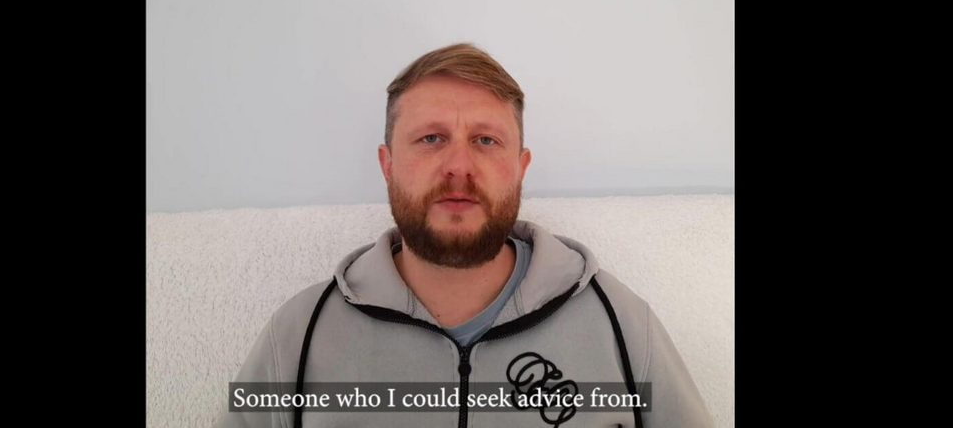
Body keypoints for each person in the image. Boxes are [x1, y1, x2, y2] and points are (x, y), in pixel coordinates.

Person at [213, 43, 715, 428]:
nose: (459, 166)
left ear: (520, 168)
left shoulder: (621, 324)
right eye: (431, 138)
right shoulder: (299, 335)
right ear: (387, 165)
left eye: (486, 140)